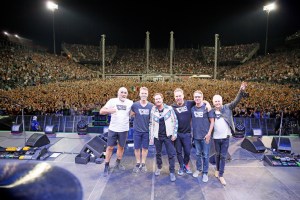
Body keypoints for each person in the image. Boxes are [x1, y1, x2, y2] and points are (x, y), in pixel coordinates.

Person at [212, 82, 247, 186]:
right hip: (216, 138)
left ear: (221, 101)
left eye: (219, 101)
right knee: (217, 155)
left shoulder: (227, 107)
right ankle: (217, 170)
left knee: (223, 156)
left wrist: (241, 91)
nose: (217, 103)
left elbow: (236, 101)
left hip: (226, 137)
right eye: (215, 101)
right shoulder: (211, 111)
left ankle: (221, 175)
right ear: (213, 102)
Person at [100, 87, 133, 177]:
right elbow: (101, 111)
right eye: (121, 92)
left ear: (127, 94)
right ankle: (106, 165)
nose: (123, 94)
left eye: (125, 93)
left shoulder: (130, 103)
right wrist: (108, 110)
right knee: (110, 147)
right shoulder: (112, 101)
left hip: (124, 129)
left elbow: (133, 113)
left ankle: (117, 163)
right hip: (113, 129)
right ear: (118, 93)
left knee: (121, 147)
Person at [149, 93, 178, 182]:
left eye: (159, 98)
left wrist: (174, 134)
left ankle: (172, 171)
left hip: (168, 136)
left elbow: (175, 121)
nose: (158, 100)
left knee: (171, 154)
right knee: (158, 153)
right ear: (154, 101)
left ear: (162, 99)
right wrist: (151, 136)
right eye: (156, 99)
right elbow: (151, 123)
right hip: (157, 136)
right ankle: (159, 167)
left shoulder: (169, 109)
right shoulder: (153, 110)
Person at [191, 90, 214, 182]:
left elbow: (212, 122)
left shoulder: (207, 108)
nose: (197, 98)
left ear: (202, 98)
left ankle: (205, 172)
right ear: (194, 98)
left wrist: (209, 134)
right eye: (195, 97)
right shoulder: (192, 109)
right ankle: (198, 169)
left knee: (206, 155)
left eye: (199, 97)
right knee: (197, 154)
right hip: (196, 137)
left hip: (205, 137)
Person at [172, 88, 195, 175]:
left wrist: (207, 104)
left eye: (179, 96)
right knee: (178, 152)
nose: (178, 97)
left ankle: (186, 164)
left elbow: (200, 100)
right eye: (176, 96)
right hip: (177, 134)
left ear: (183, 96)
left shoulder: (189, 103)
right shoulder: (172, 107)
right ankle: (181, 166)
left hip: (187, 134)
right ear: (174, 97)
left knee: (187, 151)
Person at [130, 87, 154, 173]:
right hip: (137, 131)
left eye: (145, 93)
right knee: (136, 148)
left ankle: (143, 163)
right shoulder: (135, 105)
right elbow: (131, 114)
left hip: (146, 131)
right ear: (139, 94)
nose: (143, 95)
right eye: (142, 93)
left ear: (147, 95)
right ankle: (137, 163)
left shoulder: (151, 106)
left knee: (145, 148)